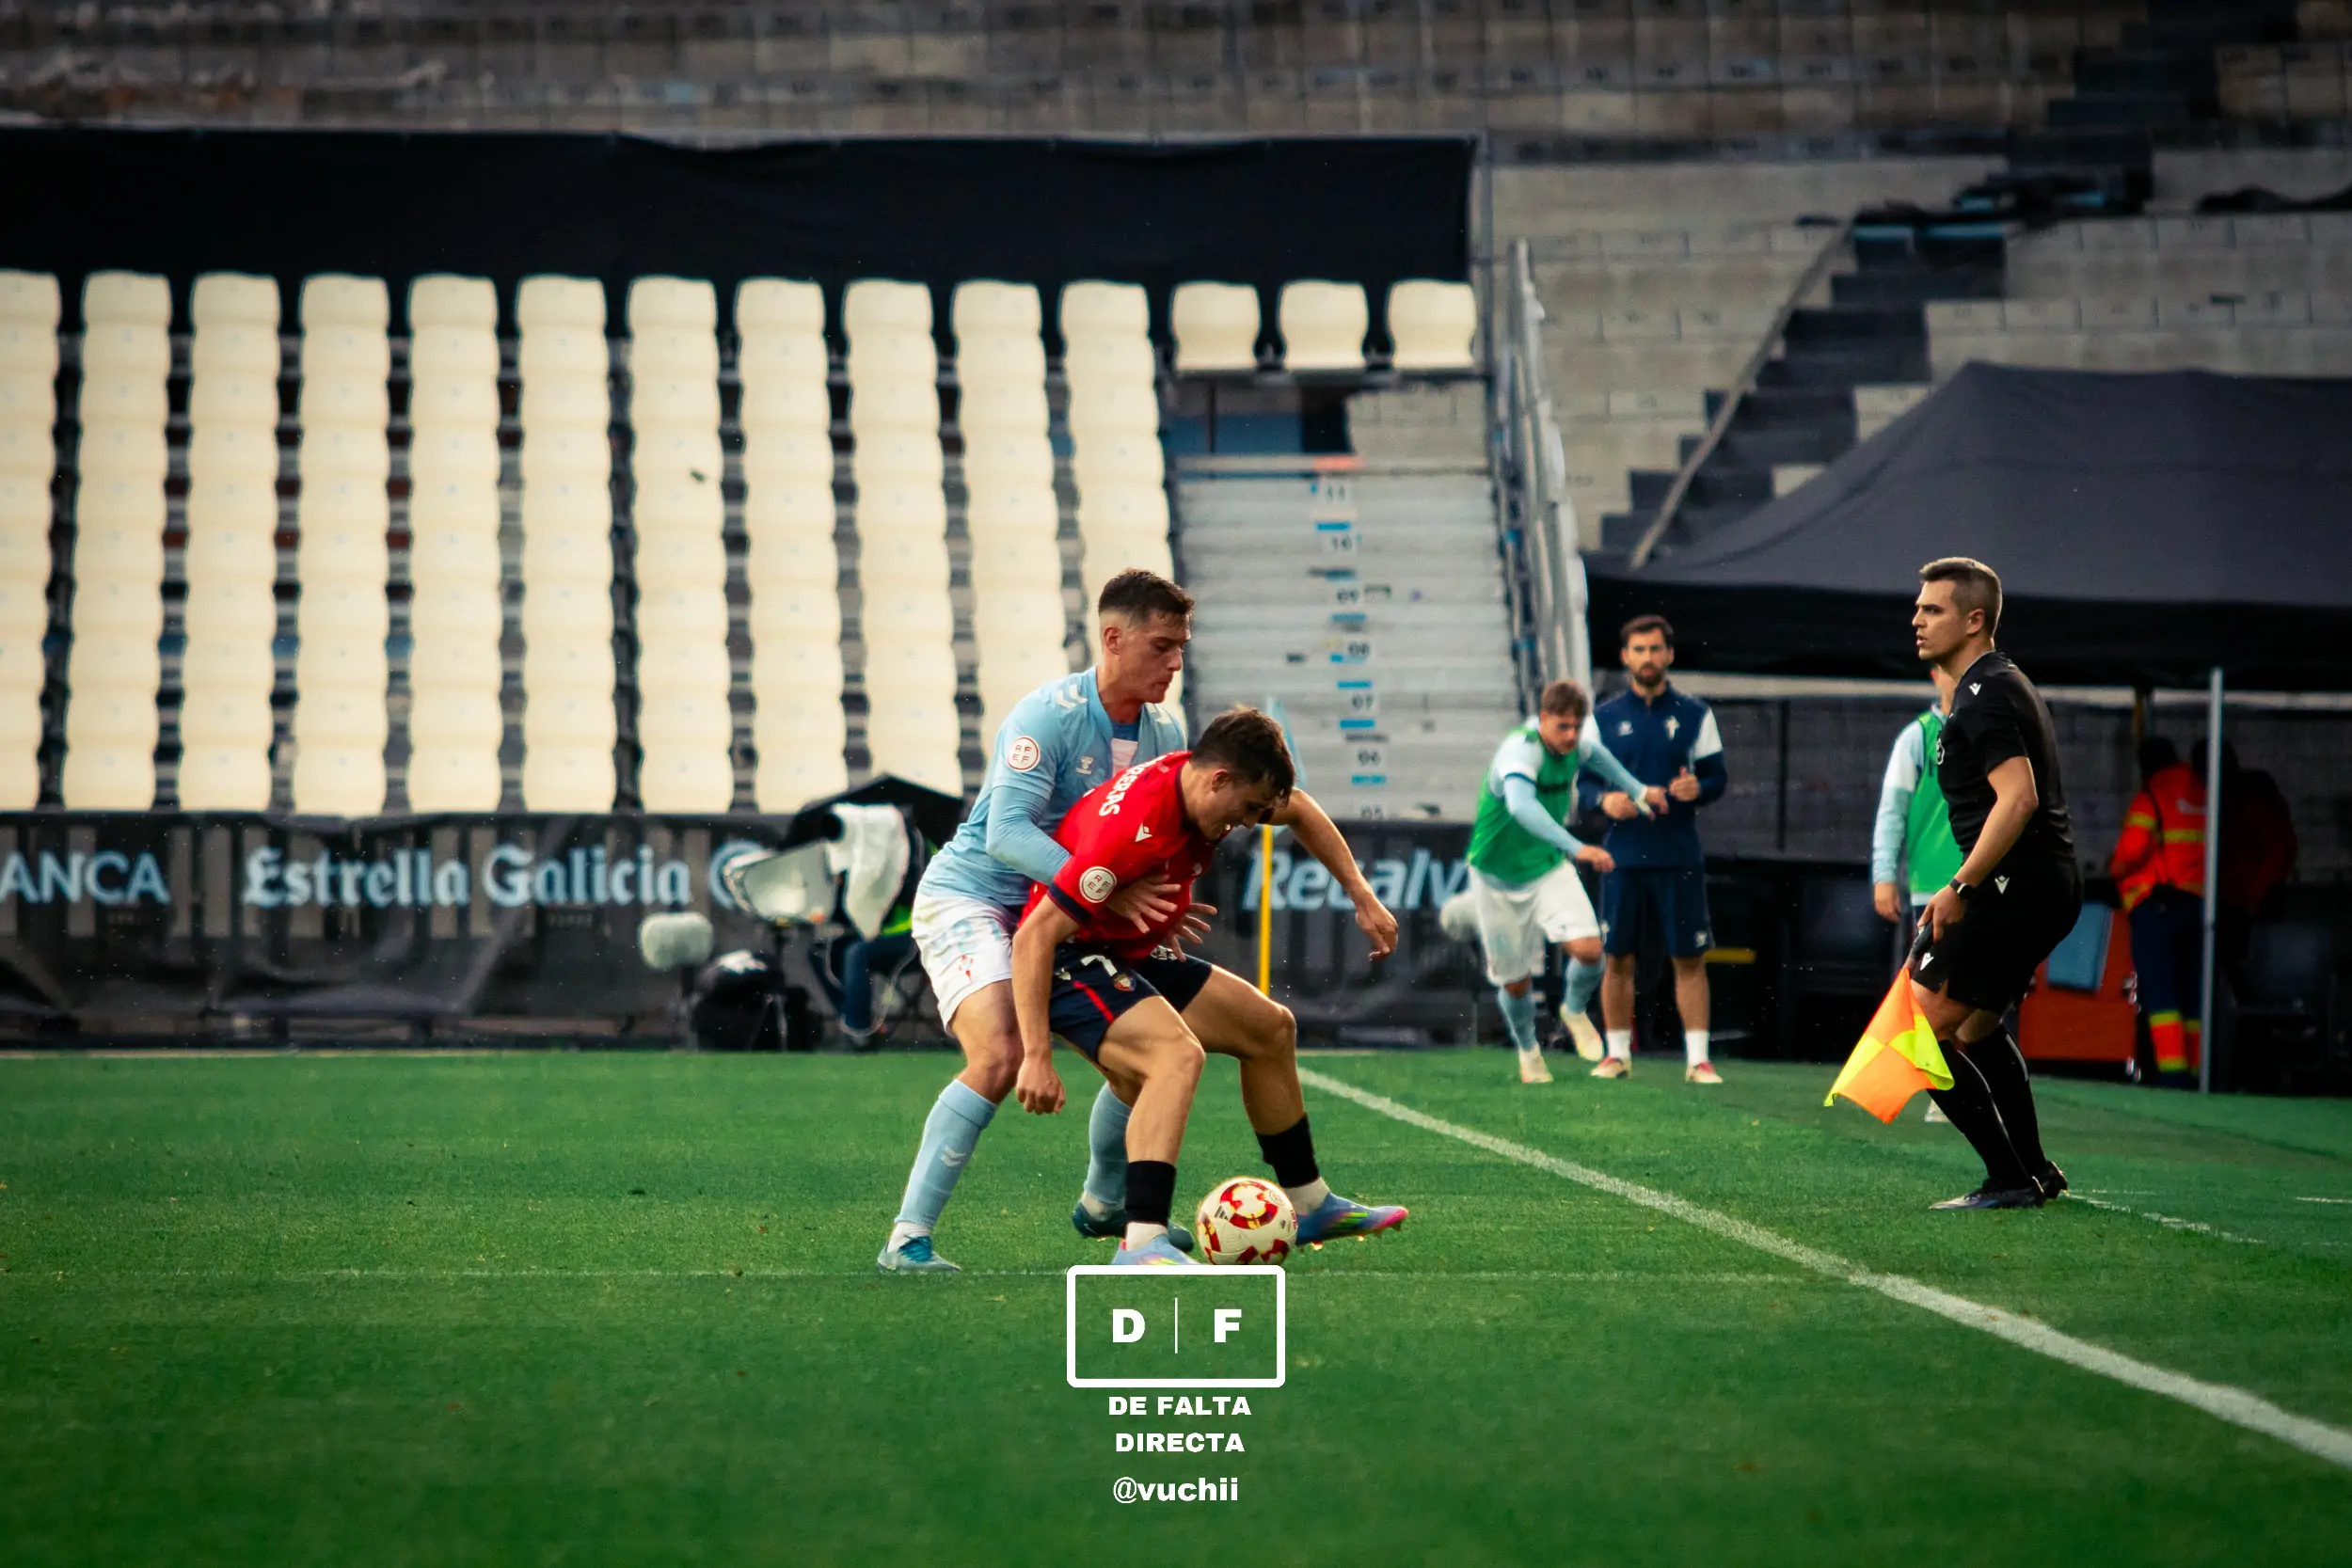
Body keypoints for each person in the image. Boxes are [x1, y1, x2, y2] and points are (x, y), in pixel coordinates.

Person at [877, 571, 1399, 1273]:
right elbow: (1005, 833)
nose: (1176, 662)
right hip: (978, 897)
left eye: (1182, 647)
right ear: (1114, 638)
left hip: (1074, 914)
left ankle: (1125, 1202)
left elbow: (1163, 831)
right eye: (1162, 645)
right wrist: (1111, 895)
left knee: (1235, 1033)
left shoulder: (1167, 731)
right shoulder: (1047, 717)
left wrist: (1143, 906)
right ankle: (908, 1237)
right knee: (1003, 1053)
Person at [1009, 708, 1409, 1267]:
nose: (1248, 823)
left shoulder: (1206, 784)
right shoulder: (1131, 831)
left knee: (1269, 1029)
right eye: (1246, 809)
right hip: (1068, 963)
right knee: (1175, 1057)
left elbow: (1298, 810)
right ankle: (1142, 1242)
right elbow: (1033, 939)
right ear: (1218, 780)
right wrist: (1034, 1056)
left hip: (1128, 949)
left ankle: (1309, 1204)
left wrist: (1361, 893)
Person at [1908, 557, 2079, 1210]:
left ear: (1974, 619)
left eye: (1933, 609)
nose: (1916, 619)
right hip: (2039, 886)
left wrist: (1961, 885)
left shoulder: (1987, 692)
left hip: (2014, 886)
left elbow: (2019, 799)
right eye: (1918, 607)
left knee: (1914, 1031)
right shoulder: (1995, 685)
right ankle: (2033, 1170)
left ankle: (2009, 1177)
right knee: (1976, 1028)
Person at [1466, 677, 1660, 1084]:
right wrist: (1577, 847)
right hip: (1496, 878)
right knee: (1516, 983)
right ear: (1542, 719)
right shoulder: (1520, 751)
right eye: (1562, 727)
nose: (1572, 736)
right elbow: (1521, 807)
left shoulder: (1576, 745)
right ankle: (1528, 1050)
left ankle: (1572, 1010)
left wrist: (1639, 791)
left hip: (1547, 867)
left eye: (1576, 726)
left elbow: (1600, 757)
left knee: (1591, 951)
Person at [1578, 615, 1728, 1084]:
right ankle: (1617, 1054)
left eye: (1655, 649)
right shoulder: (1602, 717)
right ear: (1625, 657)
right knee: (1617, 956)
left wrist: (1695, 788)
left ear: (1669, 655)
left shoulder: (1694, 714)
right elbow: (1582, 785)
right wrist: (1606, 801)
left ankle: (1698, 1060)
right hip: (1623, 855)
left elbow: (1717, 777)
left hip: (1678, 853)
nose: (1647, 658)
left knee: (1688, 957)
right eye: (1638, 650)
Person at [2109, 736, 2206, 1083]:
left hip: (2159, 908)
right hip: (2200, 907)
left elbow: (2130, 853)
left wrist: (2115, 869)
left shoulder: (2153, 794)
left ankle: (2172, 1075)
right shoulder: (2204, 791)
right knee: (2194, 993)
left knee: (2161, 995)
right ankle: (2198, 1072)